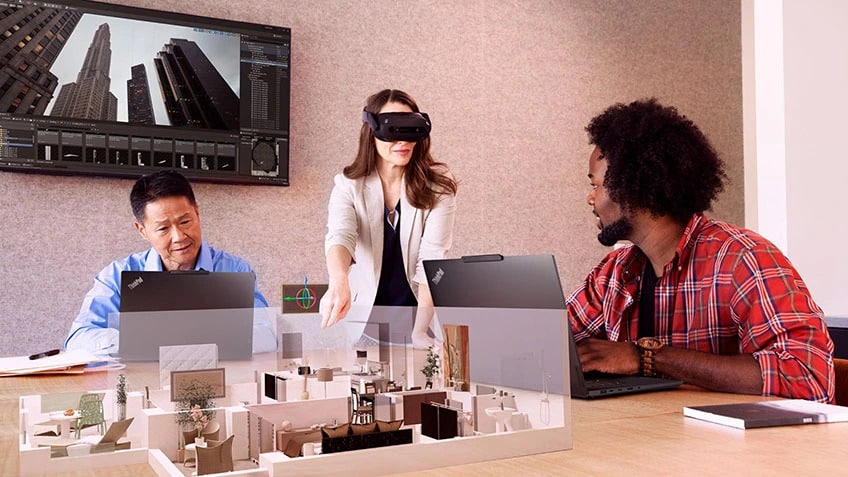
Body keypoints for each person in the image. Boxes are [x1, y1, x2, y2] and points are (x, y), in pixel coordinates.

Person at [568, 98, 834, 402]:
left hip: (736, 448)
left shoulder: (743, 259)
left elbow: (807, 377)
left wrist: (646, 358)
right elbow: (552, 340)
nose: (591, 199)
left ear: (633, 186)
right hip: (651, 438)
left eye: (596, 184)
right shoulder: (614, 273)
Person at [65, 170, 276, 355]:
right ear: (142, 230)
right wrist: (144, 341)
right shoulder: (117, 276)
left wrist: (198, 339)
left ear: (197, 212)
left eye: (185, 222)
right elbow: (79, 339)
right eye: (163, 228)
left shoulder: (234, 270)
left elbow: (266, 334)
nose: (179, 236)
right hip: (141, 389)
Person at [320, 89, 457, 347]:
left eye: (410, 129)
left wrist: (420, 331)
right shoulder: (349, 185)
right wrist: (338, 281)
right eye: (392, 129)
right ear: (371, 131)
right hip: (366, 327)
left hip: (420, 323)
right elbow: (341, 235)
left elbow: (432, 259)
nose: (402, 141)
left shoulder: (438, 187)